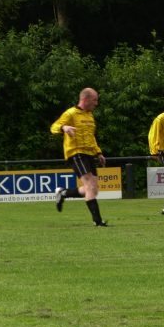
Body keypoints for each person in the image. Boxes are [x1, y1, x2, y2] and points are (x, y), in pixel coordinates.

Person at [50, 87, 108, 227]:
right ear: (85, 99)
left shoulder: (89, 116)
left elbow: (91, 137)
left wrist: (98, 152)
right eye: (94, 100)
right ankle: (98, 221)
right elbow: (54, 126)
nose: (96, 103)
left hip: (89, 153)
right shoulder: (70, 113)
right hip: (75, 152)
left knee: (93, 189)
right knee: (88, 185)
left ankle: (63, 193)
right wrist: (64, 128)